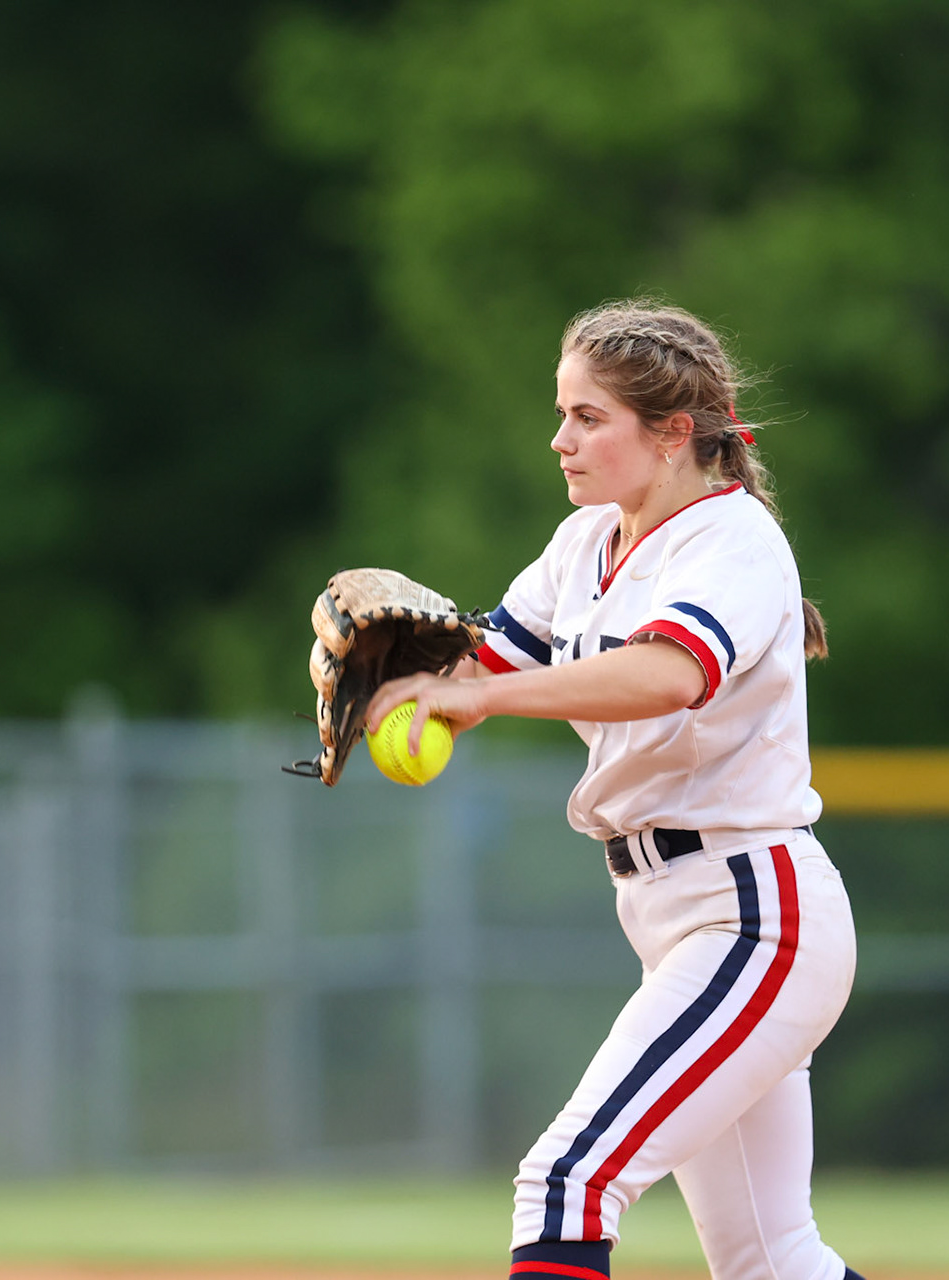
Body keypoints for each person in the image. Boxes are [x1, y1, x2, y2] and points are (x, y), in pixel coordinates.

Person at [367, 301, 863, 1280]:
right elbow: (485, 667)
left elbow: (668, 673)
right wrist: (401, 683)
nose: (561, 439)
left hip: (753, 915)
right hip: (673, 914)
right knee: (770, 1260)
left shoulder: (733, 541)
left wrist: (479, 699)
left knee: (567, 1182)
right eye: (563, 413)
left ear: (674, 431)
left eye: (589, 417)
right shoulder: (586, 542)